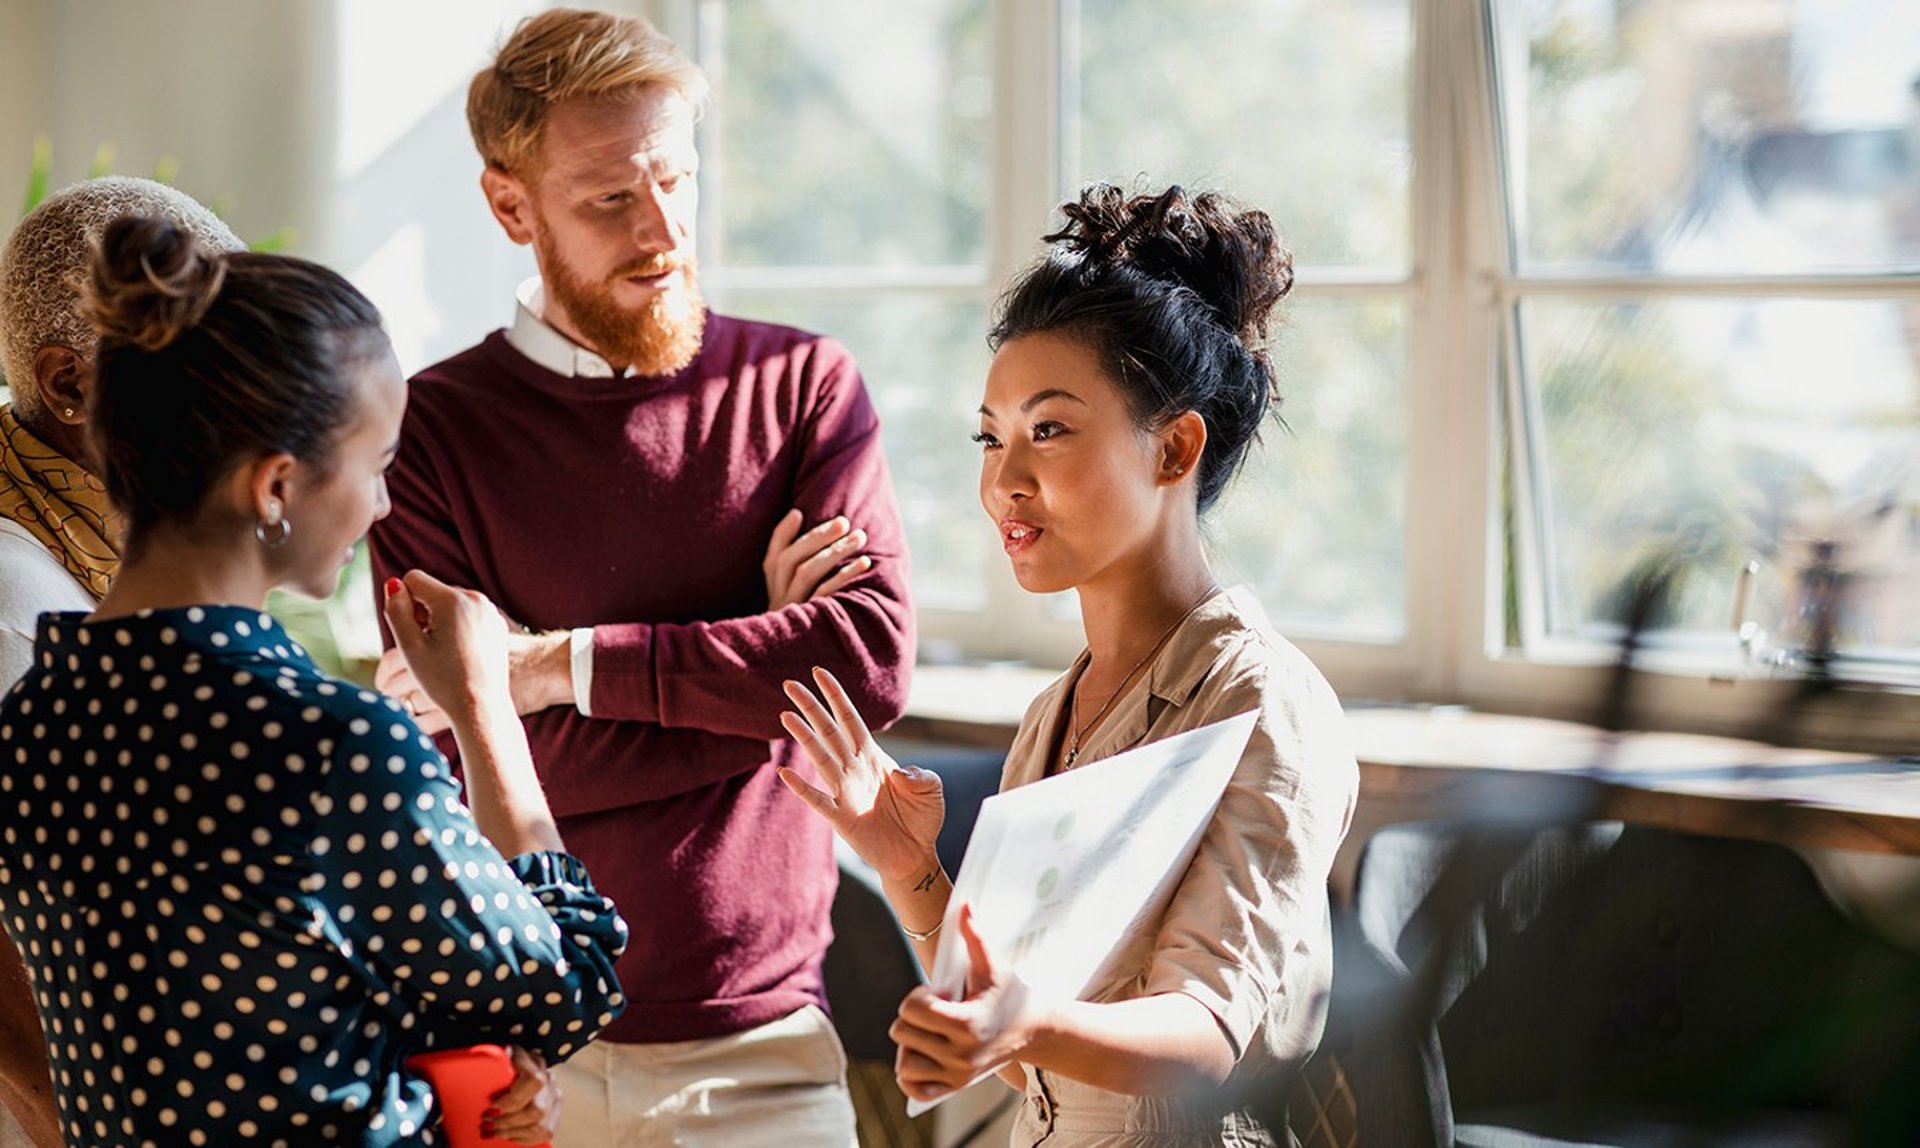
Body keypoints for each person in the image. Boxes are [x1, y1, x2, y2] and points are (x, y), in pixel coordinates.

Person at [367, 8, 914, 1145]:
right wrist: (755, 663)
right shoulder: (427, 434)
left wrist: (545, 668)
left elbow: (858, 670)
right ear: (510, 204)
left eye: (677, 178)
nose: (661, 226)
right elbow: (461, 762)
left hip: (768, 1054)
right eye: (610, 197)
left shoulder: (801, 385)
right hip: (526, 1065)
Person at [0, 215, 630, 1146]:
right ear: (276, 486)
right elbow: (562, 985)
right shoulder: (329, 745)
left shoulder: (32, 724)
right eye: (376, 467)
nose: (380, 505)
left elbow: (235, 1028)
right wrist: (485, 701)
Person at [779, 185, 1360, 1147]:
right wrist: (907, 865)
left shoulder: (1262, 699)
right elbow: (998, 1015)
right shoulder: (1057, 711)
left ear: (1173, 448)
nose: (1004, 478)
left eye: (1048, 429)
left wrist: (1026, 1021)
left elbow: (1206, 1029)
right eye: (990, 435)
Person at [0, 175, 248, 1148]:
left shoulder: (95, 546)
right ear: (70, 385)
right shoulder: (24, 607)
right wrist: (71, 1119)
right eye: (209, 365)